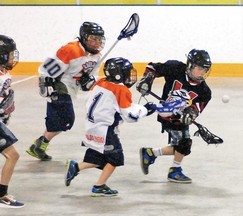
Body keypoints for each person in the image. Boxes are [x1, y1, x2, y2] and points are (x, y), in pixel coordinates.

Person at [64, 57, 155, 197]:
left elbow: (105, 103)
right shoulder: (121, 89)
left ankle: (75, 167)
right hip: (106, 130)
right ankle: (99, 186)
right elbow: (129, 115)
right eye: (126, 72)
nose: (129, 75)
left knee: (97, 159)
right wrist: (145, 110)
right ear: (119, 74)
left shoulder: (100, 82)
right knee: (115, 159)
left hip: (91, 127)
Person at [26, 22, 106, 161]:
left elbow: (92, 77)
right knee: (67, 119)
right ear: (84, 37)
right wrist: (46, 83)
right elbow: (47, 69)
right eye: (93, 38)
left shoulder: (97, 56)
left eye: (99, 39)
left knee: (61, 122)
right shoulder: (71, 50)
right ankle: (39, 145)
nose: (96, 42)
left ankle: (39, 145)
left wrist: (88, 80)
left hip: (71, 89)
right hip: (59, 85)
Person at [136, 49, 212, 183]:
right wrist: (147, 80)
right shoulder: (175, 68)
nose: (202, 73)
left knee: (183, 146)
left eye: (204, 70)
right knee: (184, 144)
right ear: (190, 65)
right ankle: (174, 170)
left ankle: (150, 153)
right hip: (166, 113)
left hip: (180, 117)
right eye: (199, 68)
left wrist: (191, 113)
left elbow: (198, 107)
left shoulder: (205, 91)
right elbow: (152, 67)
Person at [0, 35, 24, 208]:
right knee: (12, 155)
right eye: (9, 54)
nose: (12, 57)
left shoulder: (3, 73)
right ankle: (1, 195)